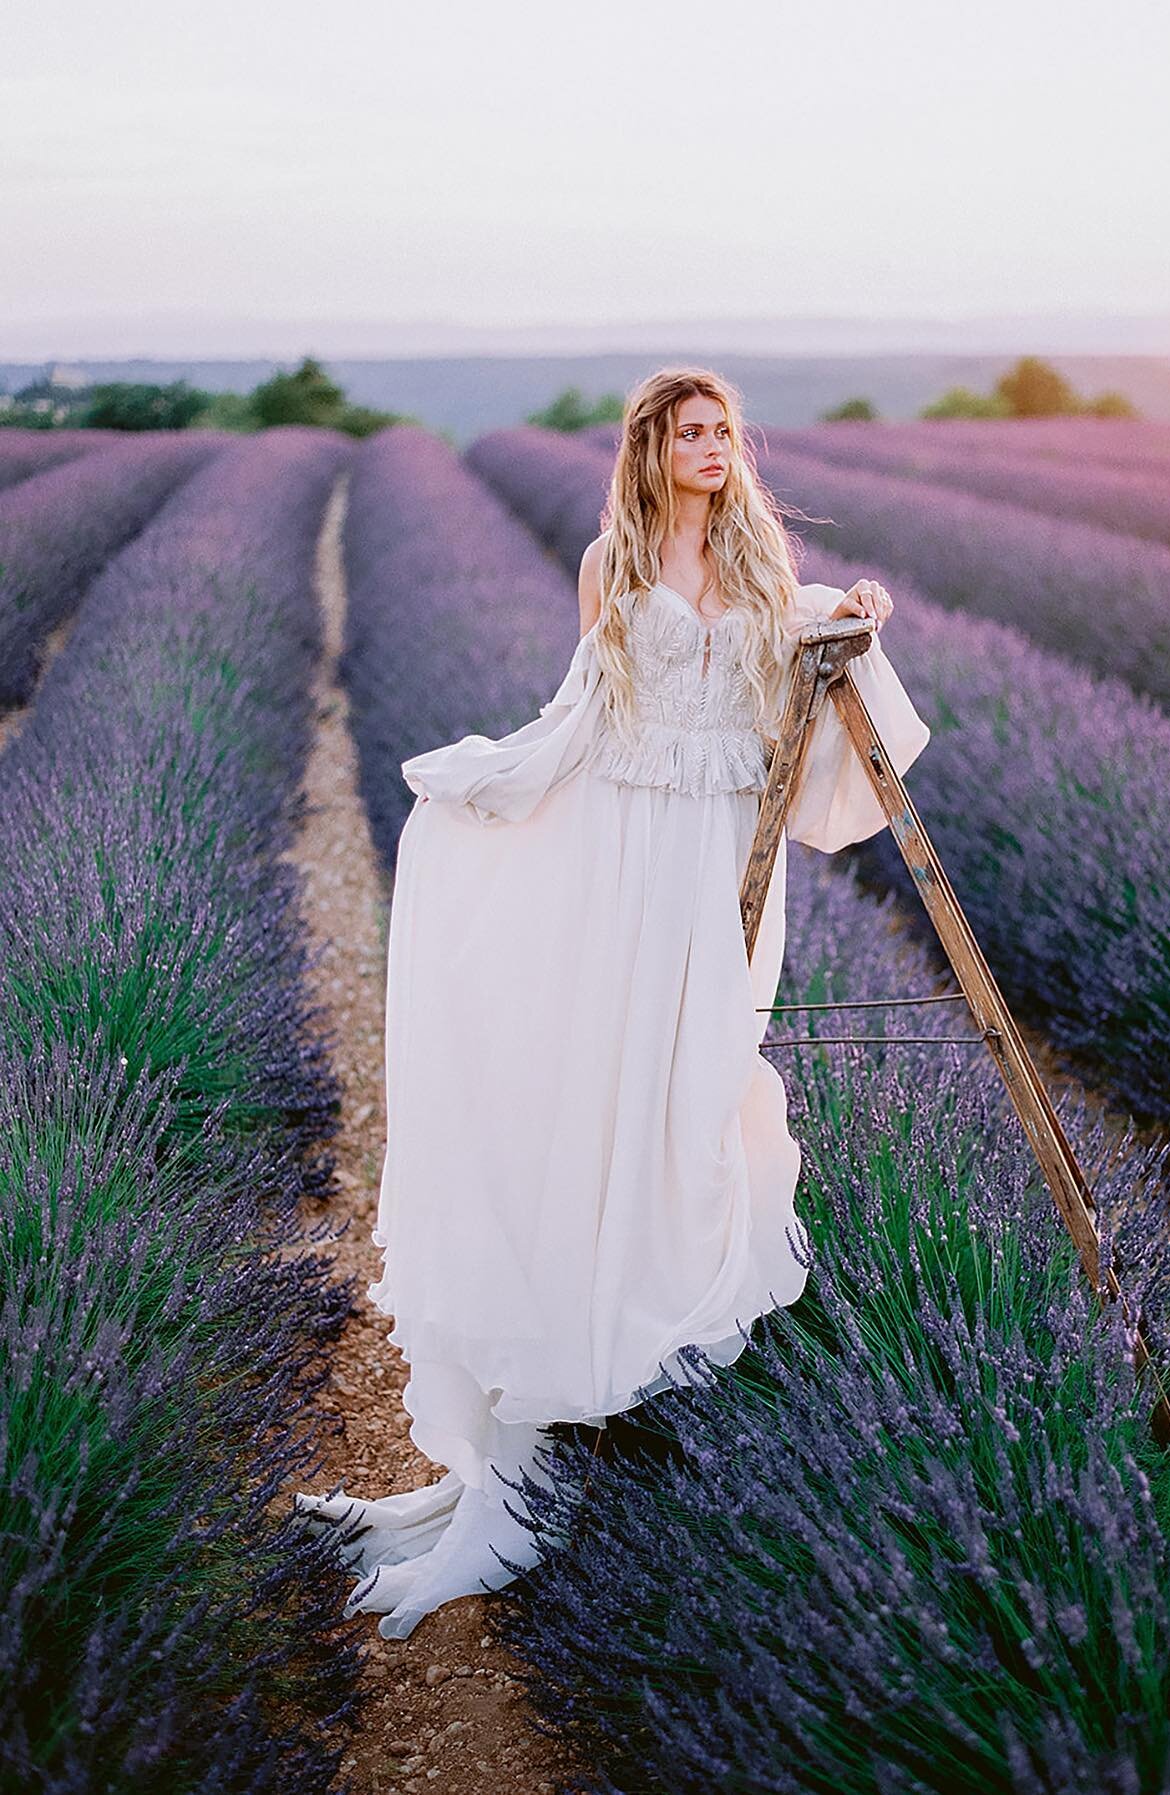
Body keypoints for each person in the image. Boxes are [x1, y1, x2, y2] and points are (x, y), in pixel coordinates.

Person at [293, 367, 930, 1639]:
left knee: (671, 1124)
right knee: (577, 1124)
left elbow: (822, 662)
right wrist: (490, 779)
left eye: (722, 432)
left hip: (706, 878)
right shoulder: (609, 564)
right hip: (612, 863)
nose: (709, 448)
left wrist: (861, 611)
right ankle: (482, 1489)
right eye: (686, 432)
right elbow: (582, 717)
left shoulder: (763, 573)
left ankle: (524, 1486)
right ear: (651, 449)